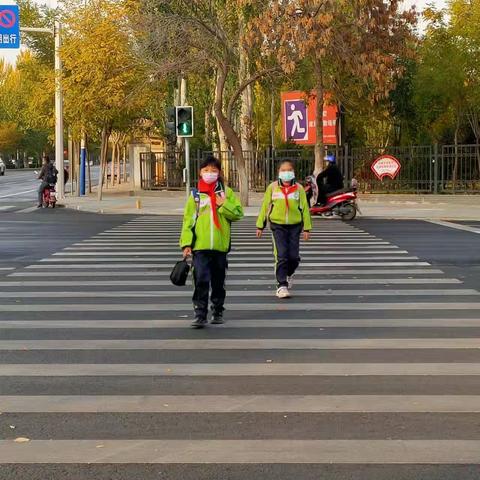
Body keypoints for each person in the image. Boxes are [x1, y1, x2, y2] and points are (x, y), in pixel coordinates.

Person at [180, 156, 244, 328]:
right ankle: (200, 314)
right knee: (200, 279)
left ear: (219, 173)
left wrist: (224, 204)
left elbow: (238, 213)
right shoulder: (195, 195)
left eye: (214, 170)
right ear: (200, 172)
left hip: (220, 246)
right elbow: (188, 221)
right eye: (206, 170)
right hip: (200, 246)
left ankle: (217, 310)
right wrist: (186, 244)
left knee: (218, 281)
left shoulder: (226, 193)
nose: (210, 173)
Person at [256, 160, 312, 299]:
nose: (286, 173)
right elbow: (265, 206)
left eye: (289, 170)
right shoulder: (272, 187)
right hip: (277, 225)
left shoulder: (299, 189)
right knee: (281, 255)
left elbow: (305, 208)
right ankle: (281, 285)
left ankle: (289, 273)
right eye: (283, 170)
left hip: (295, 226)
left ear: (293, 172)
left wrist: (307, 228)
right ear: (279, 172)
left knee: (293, 257)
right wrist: (260, 225)